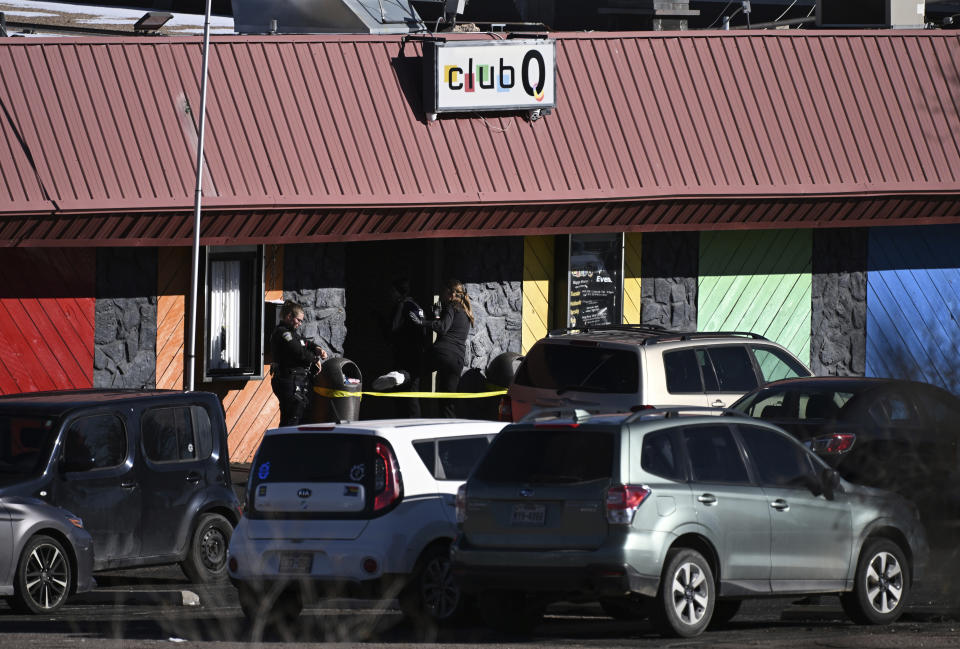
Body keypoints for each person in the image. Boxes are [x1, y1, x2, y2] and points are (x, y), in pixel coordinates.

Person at [412, 278, 474, 418]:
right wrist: (437, 315)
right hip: (457, 360)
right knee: (447, 402)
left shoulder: (452, 306)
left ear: (451, 293)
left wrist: (422, 322)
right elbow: (449, 326)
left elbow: (443, 328)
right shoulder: (466, 312)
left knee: (415, 371)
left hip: (442, 353)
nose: (440, 295)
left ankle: (400, 378)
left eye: (442, 292)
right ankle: (449, 431)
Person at [270, 300, 328, 426]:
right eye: (298, 320)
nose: (300, 324)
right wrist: (315, 359)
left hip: (294, 380)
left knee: (295, 416)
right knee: (291, 418)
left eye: (302, 321)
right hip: (288, 380)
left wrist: (316, 348)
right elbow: (298, 352)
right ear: (289, 316)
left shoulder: (292, 333)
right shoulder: (283, 333)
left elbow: (304, 343)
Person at [387, 278, 428, 418]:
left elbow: (394, 328)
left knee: (404, 394)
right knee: (412, 393)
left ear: (399, 293)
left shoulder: (403, 305)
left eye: (392, 291)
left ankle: (407, 424)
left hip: (405, 357)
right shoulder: (417, 306)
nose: (390, 295)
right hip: (417, 355)